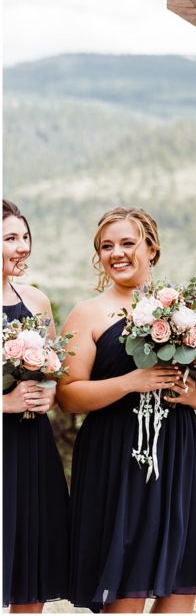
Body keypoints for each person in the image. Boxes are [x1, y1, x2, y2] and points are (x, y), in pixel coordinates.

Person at [58, 207, 196, 613]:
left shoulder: (188, 312)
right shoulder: (87, 314)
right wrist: (129, 383)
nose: (116, 253)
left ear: (151, 250)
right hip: (116, 457)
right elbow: (68, 397)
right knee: (127, 588)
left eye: (127, 243)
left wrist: (194, 397)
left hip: (179, 453)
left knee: (181, 587)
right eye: (106, 246)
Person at [2, 200, 69, 612]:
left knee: (32, 571)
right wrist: (4, 402)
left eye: (25, 237)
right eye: (10, 238)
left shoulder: (37, 301)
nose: (23, 246)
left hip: (31, 446)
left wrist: (49, 393)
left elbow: (54, 374)